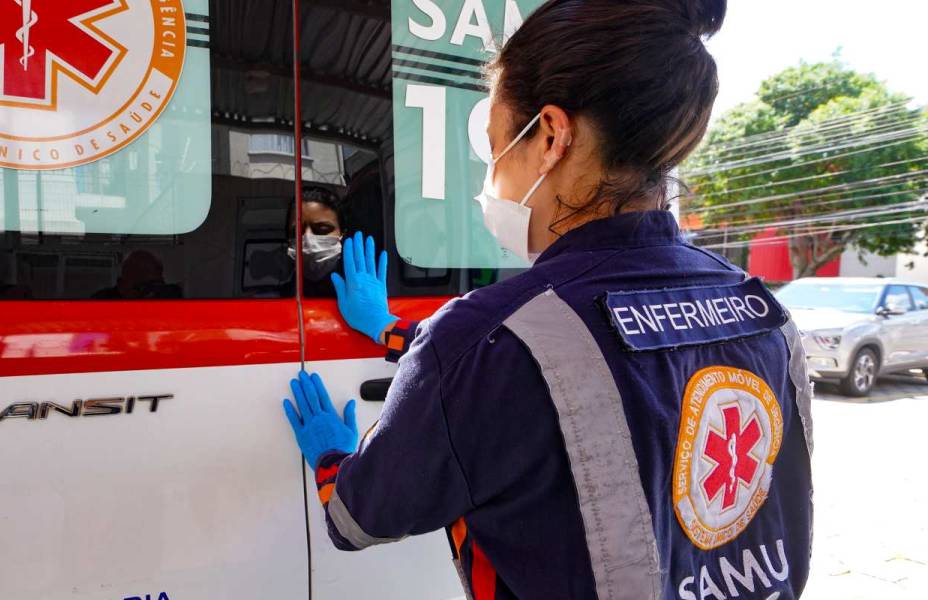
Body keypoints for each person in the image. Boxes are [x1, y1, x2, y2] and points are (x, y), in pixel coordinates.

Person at [280, 1, 813, 599]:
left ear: (551, 136)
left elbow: (357, 519)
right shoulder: (762, 313)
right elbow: (575, 371)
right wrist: (389, 330)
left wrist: (331, 452)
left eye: (494, 148)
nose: (491, 177)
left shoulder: (488, 337)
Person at [284, 185, 348, 298]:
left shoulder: (357, 292)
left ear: (342, 234)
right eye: (297, 232)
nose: (308, 240)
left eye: (322, 230)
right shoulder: (280, 298)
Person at [92, 250, 182, 300]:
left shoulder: (169, 297)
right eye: (141, 287)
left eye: (154, 284)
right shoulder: (102, 301)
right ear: (122, 285)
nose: (149, 292)